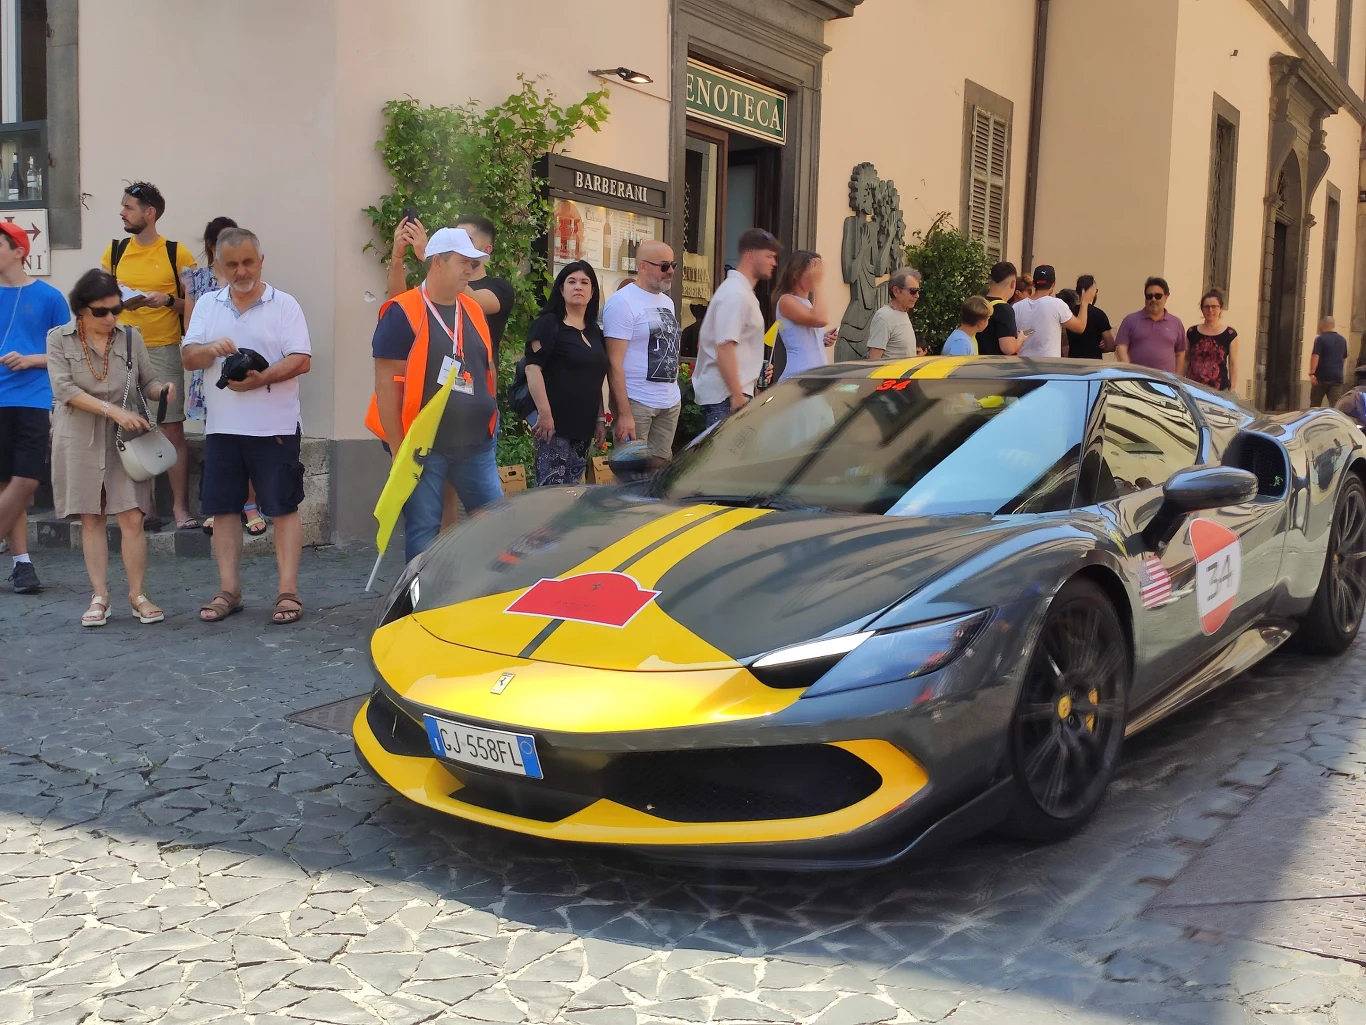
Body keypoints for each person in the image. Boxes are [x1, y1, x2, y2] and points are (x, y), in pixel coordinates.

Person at [182, 229, 312, 626]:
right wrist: (209, 349)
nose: (242, 271)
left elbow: (302, 358)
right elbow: (189, 357)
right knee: (222, 510)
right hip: (222, 428)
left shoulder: (284, 304)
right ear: (220, 266)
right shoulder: (207, 304)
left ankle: (288, 592)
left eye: (248, 262)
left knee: (283, 508)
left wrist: (262, 377)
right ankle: (229, 591)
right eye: (232, 264)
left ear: (260, 260)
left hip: (274, 425)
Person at [48, 270, 176, 627]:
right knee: (91, 516)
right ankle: (99, 597)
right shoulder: (59, 339)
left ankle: (138, 595)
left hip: (127, 440)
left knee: (132, 516)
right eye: (102, 311)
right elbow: (64, 390)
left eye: (116, 309)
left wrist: (161, 390)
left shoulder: (131, 337)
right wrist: (112, 410)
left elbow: (147, 382)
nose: (111, 317)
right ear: (81, 311)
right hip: (79, 436)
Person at [369, 227, 500, 564]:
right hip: (424, 448)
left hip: (476, 445)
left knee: (496, 523)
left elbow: (487, 369)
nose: (470, 270)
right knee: (424, 529)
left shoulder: (471, 309)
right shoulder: (402, 311)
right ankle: (420, 601)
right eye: (464, 262)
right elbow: (386, 387)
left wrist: (490, 418)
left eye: (474, 263)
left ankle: (497, 594)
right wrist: (401, 453)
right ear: (437, 262)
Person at [102, 182, 200, 531]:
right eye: (123, 205)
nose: (122, 212)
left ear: (150, 213)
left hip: (163, 347)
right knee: (131, 427)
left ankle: (180, 508)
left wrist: (168, 301)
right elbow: (101, 300)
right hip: (122, 346)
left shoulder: (178, 254)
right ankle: (142, 507)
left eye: (129, 207)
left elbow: (196, 305)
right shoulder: (114, 252)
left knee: (171, 426)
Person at [181, 216, 267, 539]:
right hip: (211, 375)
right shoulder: (198, 283)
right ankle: (220, 507)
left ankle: (249, 504)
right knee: (217, 443)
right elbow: (191, 337)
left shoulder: (260, 290)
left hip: (252, 380)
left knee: (250, 443)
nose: (238, 267)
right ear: (212, 251)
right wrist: (210, 348)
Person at [0, 222, 70, 594]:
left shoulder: (50, 297)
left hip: (31, 397)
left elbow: (66, 353)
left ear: (18, 251)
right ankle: (22, 564)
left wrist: (29, 360)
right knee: (4, 485)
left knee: (25, 480)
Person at [524, 261, 609, 486]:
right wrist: (544, 414)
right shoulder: (547, 325)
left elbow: (596, 377)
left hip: (583, 425)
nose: (578, 287)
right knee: (550, 492)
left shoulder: (595, 331)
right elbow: (532, 369)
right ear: (561, 289)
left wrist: (600, 418)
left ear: (592, 292)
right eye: (571, 282)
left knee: (571, 492)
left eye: (584, 282)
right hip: (553, 425)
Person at [603, 240, 682, 466]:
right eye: (664, 266)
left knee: (659, 473)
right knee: (631, 474)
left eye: (673, 265)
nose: (671, 272)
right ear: (643, 266)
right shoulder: (623, 302)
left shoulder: (668, 302)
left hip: (668, 400)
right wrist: (624, 413)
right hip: (636, 400)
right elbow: (614, 362)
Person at [694, 229, 782, 428]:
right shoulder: (736, 294)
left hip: (732, 394)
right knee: (725, 457)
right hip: (725, 397)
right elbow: (724, 346)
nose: (774, 263)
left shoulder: (741, 292)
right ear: (750, 255)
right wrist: (736, 394)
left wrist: (755, 372)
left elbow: (736, 346)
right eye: (769, 256)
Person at [772, 251, 838, 382]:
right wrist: (818, 284)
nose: (818, 276)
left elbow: (804, 337)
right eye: (813, 272)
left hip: (815, 375)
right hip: (800, 375)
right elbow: (821, 319)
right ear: (796, 274)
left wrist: (822, 339)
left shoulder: (807, 304)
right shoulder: (786, 300)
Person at [1015, 265, 1093, 358]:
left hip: (1024, 365)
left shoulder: (1016, 307)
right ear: (1053, 284)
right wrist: (1084, 302)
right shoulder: (1057, 305)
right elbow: (1080, 327)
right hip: (1049, 366)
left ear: (1033, 283)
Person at [1116, 277, 1187, 374]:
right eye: (1149, 296)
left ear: (1166, 297)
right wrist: (1129, 373)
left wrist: (1176, 379)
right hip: (1136, 382)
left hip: (1165, 383)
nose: (1153, 299)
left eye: (1158, 296)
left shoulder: (1176, 323)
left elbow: (1180, 353)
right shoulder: (1130, 320)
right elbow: (1121, 348)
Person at [1185, 289, 1239, 392]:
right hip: (1193, 388)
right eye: (1207, 307)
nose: (1210, 310)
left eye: (1214, 306)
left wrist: (1232, 387)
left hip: (1219, 390)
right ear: (1202, 309)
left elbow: (1233, 362)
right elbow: (1186, 359)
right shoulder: (1192, 332)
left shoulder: (1230, 334)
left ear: (1220, 308)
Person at [862, 268, 921, 361]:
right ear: (896, 291)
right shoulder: (884, 317)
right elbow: (873, 361)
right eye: (913, 291)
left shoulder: (902, 314)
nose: (917, 295)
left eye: (918, 291)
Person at [976, 262, 1021, 356]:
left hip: (974, 362)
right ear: (1013, 283)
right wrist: (1021, 338)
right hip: (995, 365)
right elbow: (1008, 348)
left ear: (990, 282)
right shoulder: (1004, 309)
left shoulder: (977, 303)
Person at [1065, 275, 1114, 360]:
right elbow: (1111, 345)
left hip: (1073, 362)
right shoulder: (1099, 314)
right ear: (1092, 290)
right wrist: (1098, 349)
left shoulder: (1069, 312)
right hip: (1093, 363)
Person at [1310, 316, 1349, 407]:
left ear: (1321, 325)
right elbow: (1343, 358)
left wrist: (1312, 373)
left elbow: (1315, 356)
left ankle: (1315, 420)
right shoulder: (1342, 340)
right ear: (1333, 325)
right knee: (1336, 406)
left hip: (1321, 377)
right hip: (1337, 377)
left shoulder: (1320, 339)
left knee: (1315, 405)